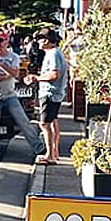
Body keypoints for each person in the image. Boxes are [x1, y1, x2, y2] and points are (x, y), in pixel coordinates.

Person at [0, 34, 46, 161]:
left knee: (23, 122)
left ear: (7, 41)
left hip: (10, 95)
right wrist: (5, 75)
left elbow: (15, 74)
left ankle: (39, 147)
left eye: (1, 40)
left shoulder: (13, 57)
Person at [26, 28, 67, 164]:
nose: (37, 42)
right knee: (53, 122)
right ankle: (54, 152)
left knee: (45, 123)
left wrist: (36, 78)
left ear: (46, 40)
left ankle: (49, 155)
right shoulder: (54, 53)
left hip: (50, 93)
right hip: (54, 93)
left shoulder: (53, 54)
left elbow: (55, 74)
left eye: (39, 39)